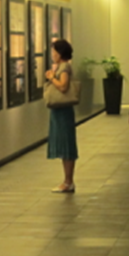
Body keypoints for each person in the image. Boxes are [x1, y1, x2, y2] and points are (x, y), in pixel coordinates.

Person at [45, 39, 78, 192]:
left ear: (59, 53)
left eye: (54, 51)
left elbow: (63, 87)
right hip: (60, 111)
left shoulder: (64, 67)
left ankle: (68, 181)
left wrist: (52, 78)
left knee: (66, 145)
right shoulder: (63, 66)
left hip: (63, 112)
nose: (52, 54)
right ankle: (67, 180)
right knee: (65, 144)